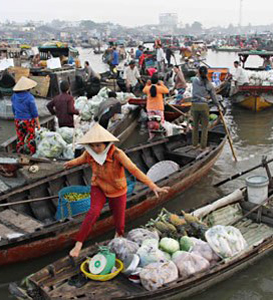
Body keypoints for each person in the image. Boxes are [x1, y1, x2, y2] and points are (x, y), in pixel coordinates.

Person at [64, 123, 170, 257]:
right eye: (92, 145)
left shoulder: (117, 154)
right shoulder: (89, 153)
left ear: (106, 143)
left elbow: (134, 169)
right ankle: (78, 243)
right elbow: (81, 160)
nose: (95, 149)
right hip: (99, 186)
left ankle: (118, 236)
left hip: (117, 189)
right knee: (93, 212)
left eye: (98, 145)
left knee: (119, 222)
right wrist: (70, 163)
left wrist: (152, 185)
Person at [11, 76, 40, 155]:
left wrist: (16, 117)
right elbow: (34, 112)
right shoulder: (30, 97)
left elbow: (13, 109)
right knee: (30, 138)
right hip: (28, 121)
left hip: (18, 120)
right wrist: (38, 124)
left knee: (20, 138)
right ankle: (31, 154)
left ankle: (19, 153)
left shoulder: (14, 96)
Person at [191, 66, 219, 149]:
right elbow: (214, 97)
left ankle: (194, 145)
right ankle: (202, 146)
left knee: (195, 126)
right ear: (207, 73)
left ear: (198, 73)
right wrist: (218, 106)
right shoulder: (209, 84)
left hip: (194, 105)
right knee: (204, 127)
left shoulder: (194, 81)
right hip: (204, 106)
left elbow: (194, 78)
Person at [143, 75, 169, 140]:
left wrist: (147, 84)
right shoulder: (159, 88)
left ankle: (151, 137)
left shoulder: (148, 88)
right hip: (159, 108)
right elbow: (167, 90)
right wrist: (162, 84)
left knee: (151, 123)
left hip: (150, 108)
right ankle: (162, 135)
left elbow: (144, 90)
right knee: (161, 122)